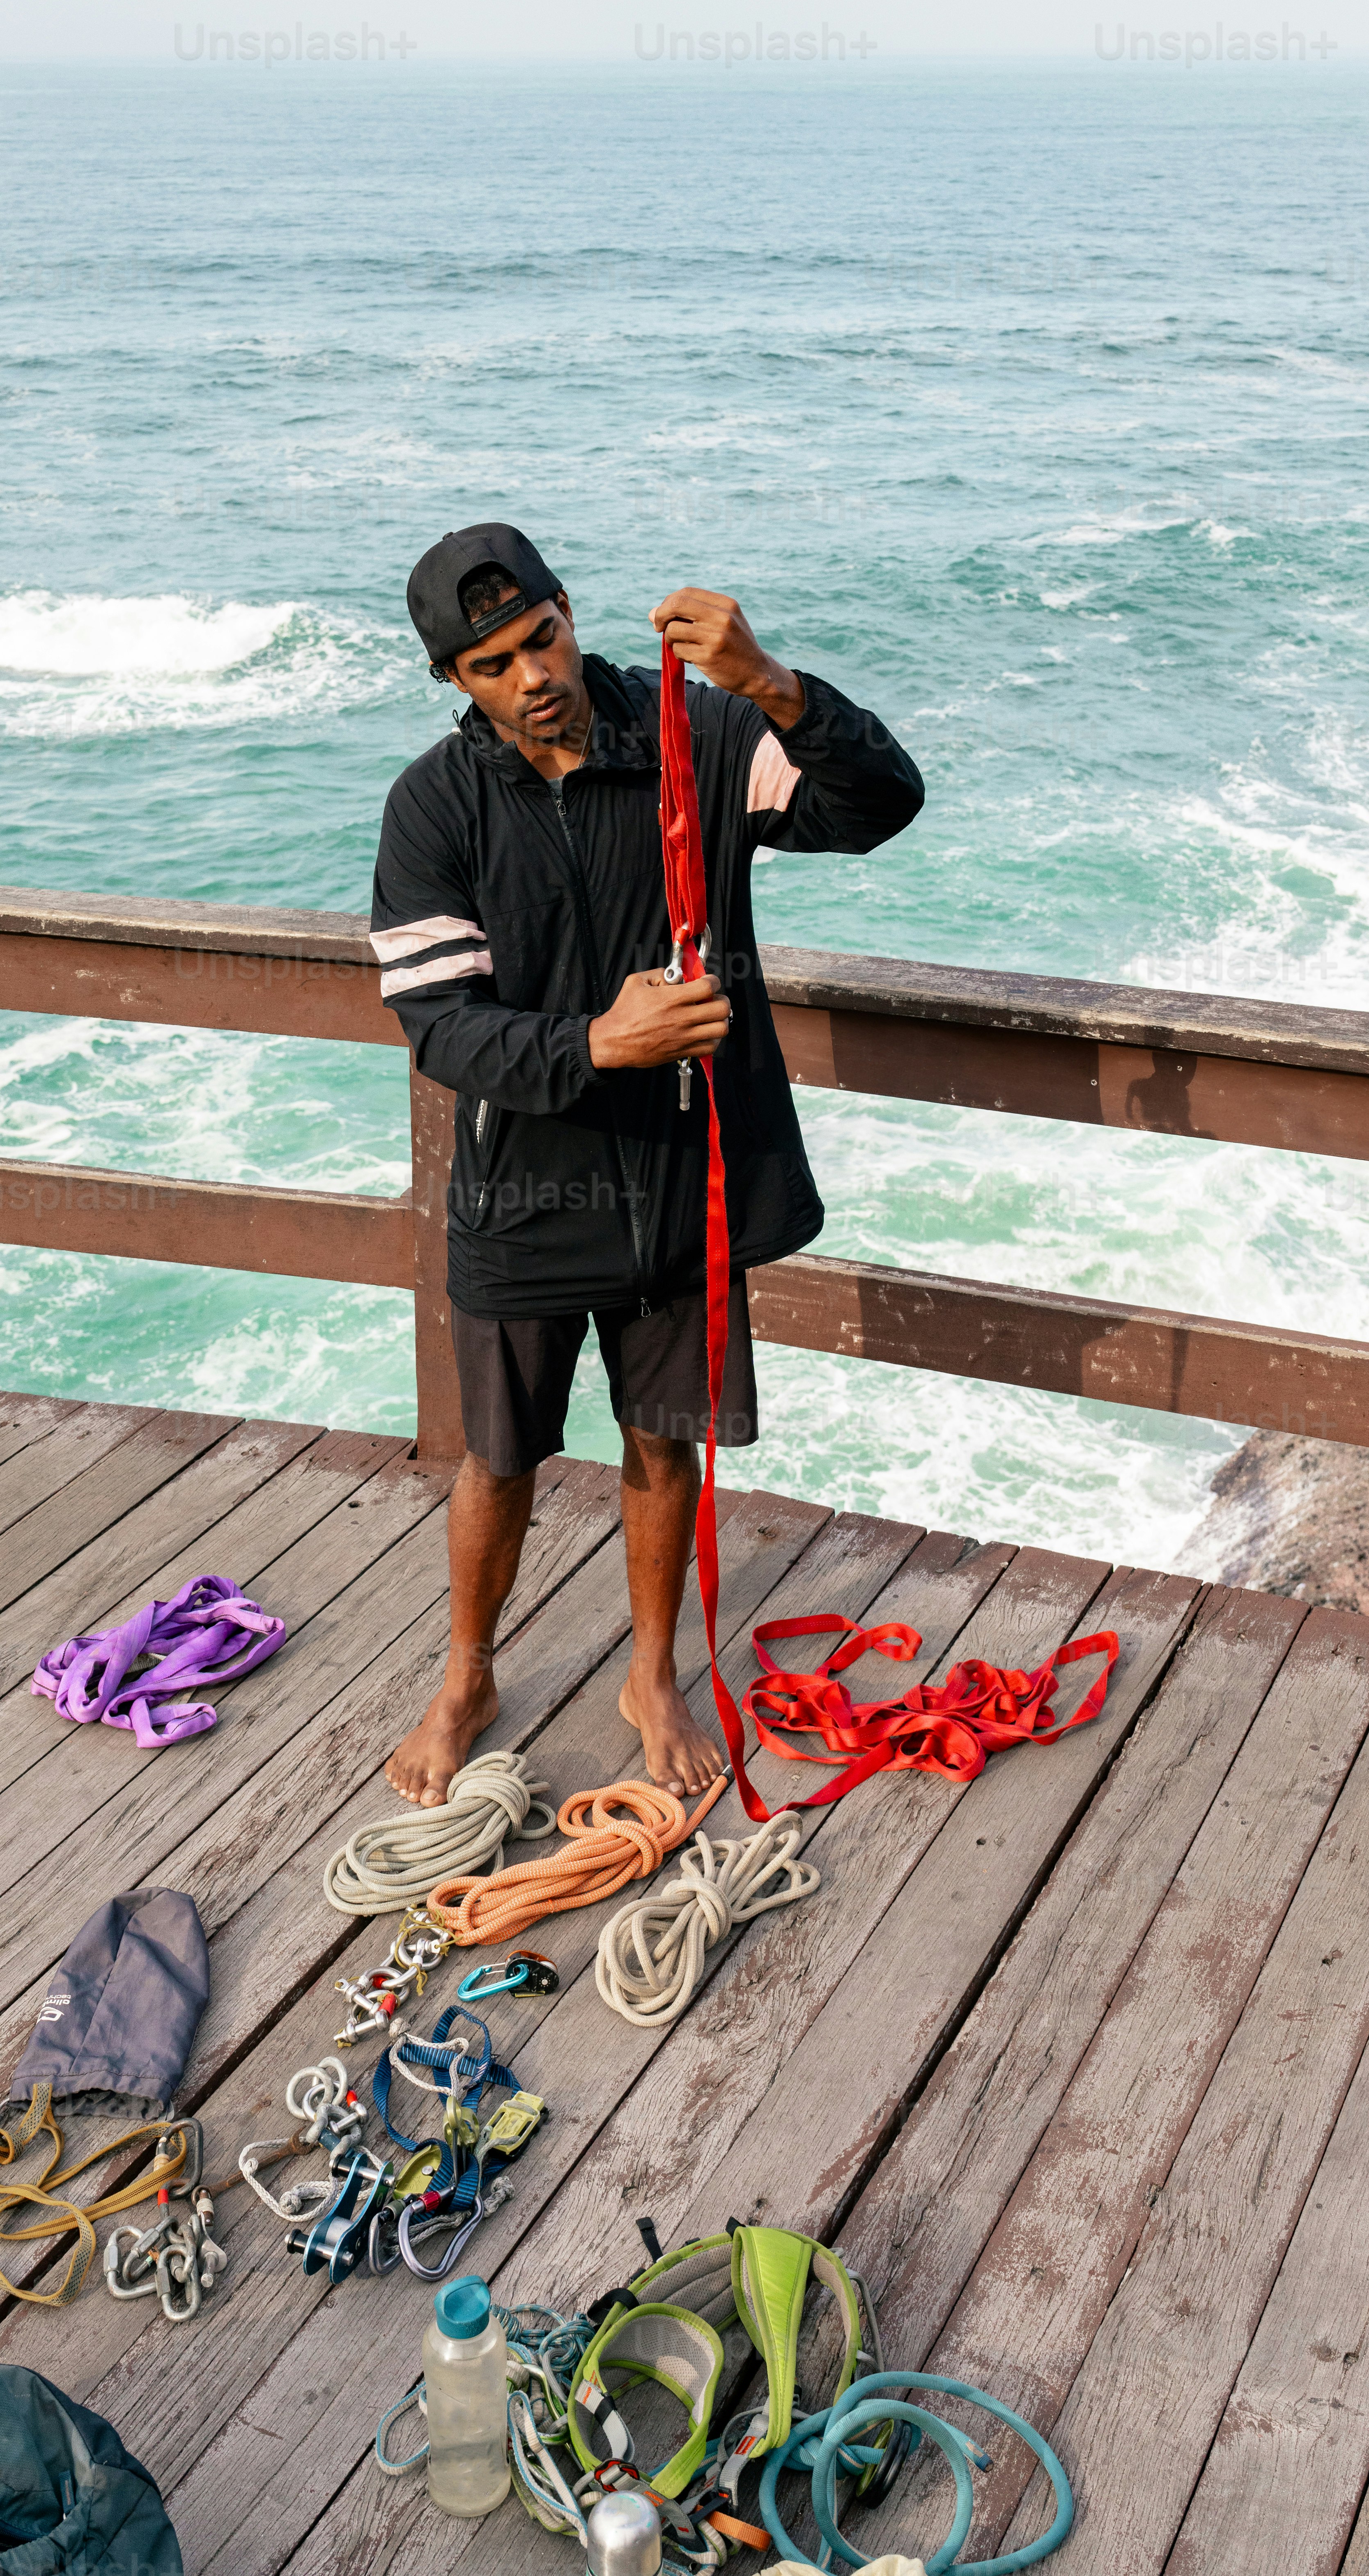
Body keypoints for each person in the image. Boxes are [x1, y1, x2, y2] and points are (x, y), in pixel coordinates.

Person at [372, 521, 924, 1803]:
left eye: (541, 638)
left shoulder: (704, 739)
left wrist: (771, 683)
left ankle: (655, 1672)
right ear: (457, 682)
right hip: (526, 1187)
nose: (532, 676)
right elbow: (438, 1023)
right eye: (494, 663)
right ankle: (468, 1673)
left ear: (571, 613)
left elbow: (875, 808)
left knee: (662, 1440)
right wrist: (597, 1043)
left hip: (686, 1174)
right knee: (499, 1455)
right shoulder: (434, 806)